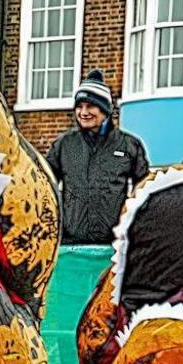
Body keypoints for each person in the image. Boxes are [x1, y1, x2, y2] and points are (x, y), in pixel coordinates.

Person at [46, 70, 151, 245]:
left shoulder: (129, 145)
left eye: (90, 106)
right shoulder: (64, 145)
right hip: (70, 245)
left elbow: (145, 190)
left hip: (115, 245)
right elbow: (45, 188)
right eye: (79, 107)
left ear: (105, 110)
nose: (83, 112)